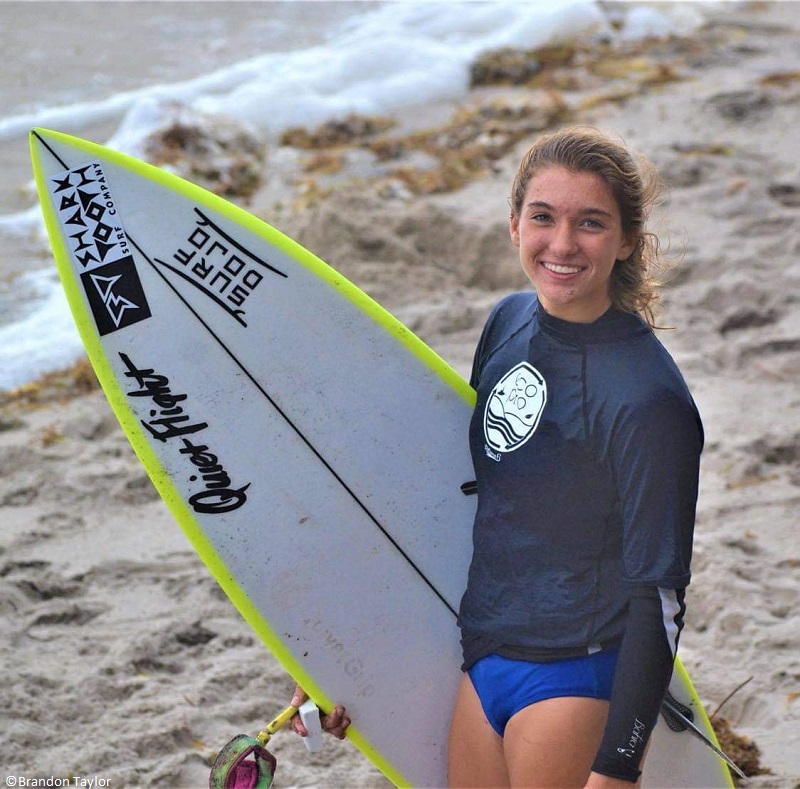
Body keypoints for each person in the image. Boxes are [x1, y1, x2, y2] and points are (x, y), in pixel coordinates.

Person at [291, 126, 704, 788]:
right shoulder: (508, 322)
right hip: (481, 660)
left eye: (591, 223)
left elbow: (659, 590)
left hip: (574, 673)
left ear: (626, 239)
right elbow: (471, 501)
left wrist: (619, 763)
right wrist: (347, 666)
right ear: (514, 225)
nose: (562, 243)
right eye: (543, 217)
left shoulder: (646, 398)